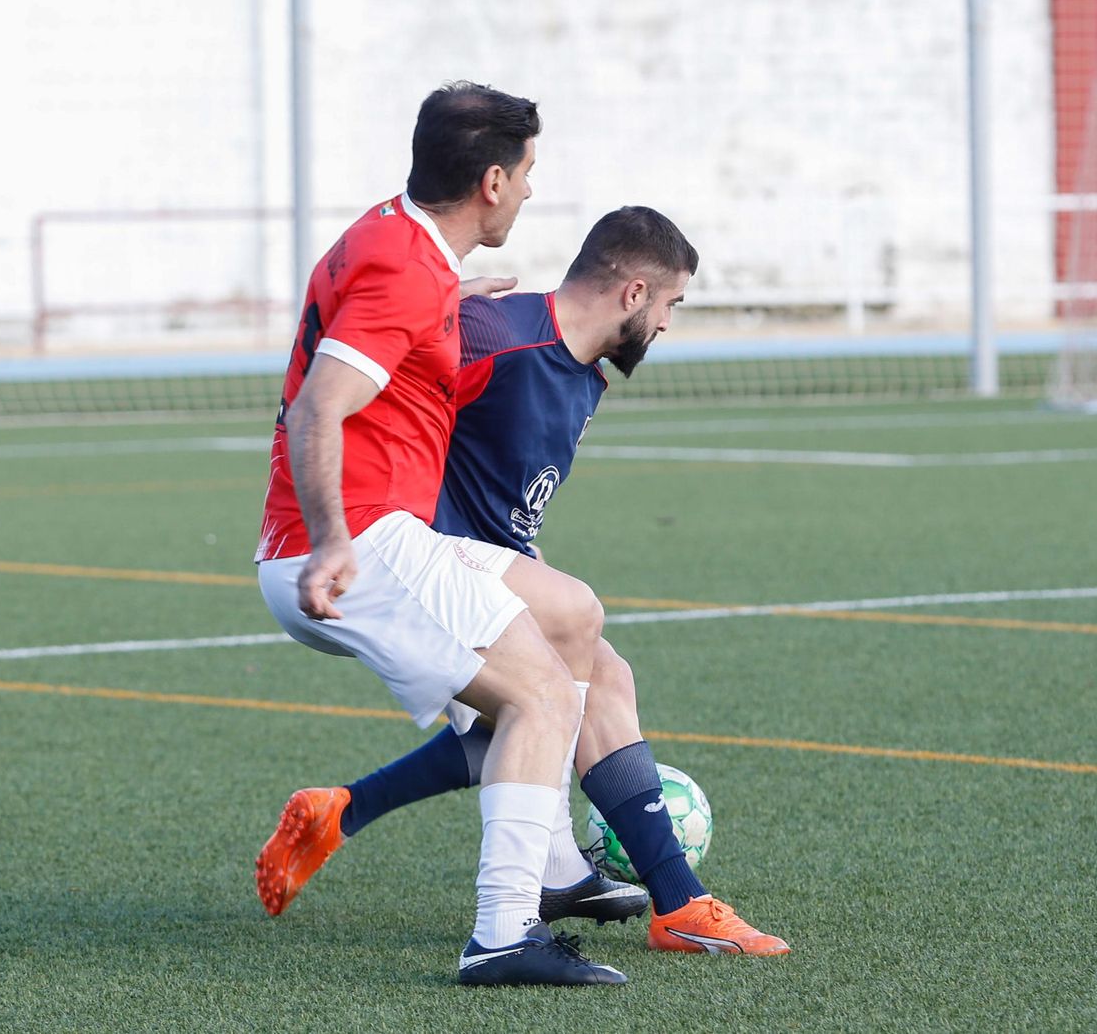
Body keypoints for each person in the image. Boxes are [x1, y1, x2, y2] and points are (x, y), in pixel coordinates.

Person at [258, 206, 789, 956]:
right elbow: (361, 391)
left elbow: (501, 500)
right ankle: (668, 902)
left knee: (575, 684)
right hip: (411, 562)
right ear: (634, 294)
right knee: (582, 670)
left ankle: (354, 814)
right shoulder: (498, 336)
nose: (669, 324)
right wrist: (340, 531)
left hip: (478, 557)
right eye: (672, 303)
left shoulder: (581, 379)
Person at [254, 81, 625, 987]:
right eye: (529, 171)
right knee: (543, 697)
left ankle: (554, 874)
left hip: (363, 540)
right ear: (492, 181)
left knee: (556, 653)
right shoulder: (403, 269)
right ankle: (504, 933)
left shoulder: (386, 238)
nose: (532, 189)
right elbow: (316, 410)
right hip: (360, 545)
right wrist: (338, 537)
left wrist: (444, 299)